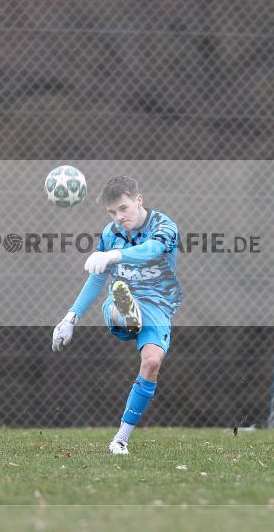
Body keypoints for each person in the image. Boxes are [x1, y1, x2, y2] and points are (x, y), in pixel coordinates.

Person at [51, 175, 182, 455]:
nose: (118, 217)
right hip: (120, 300)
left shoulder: (164, 226)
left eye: (123, 209)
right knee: (119, 295)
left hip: (157, 305)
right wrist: (71, 317)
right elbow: (98, 279)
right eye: (112, 212)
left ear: (139, 199)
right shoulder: (111, 234)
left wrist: (113, 257)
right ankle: (125, 311)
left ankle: (120, 440)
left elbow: (152, 250)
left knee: (152, 363)